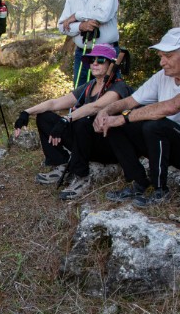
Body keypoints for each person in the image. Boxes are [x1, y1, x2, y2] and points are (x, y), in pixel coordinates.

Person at [93, 28, 180, 207]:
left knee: (155, 125)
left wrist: (124, 117)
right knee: (115, 123)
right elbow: (130, 101)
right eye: (161, 56)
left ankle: (160, 190)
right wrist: (106, 112)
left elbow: (172, 106)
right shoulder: (164, 77)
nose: (162, 62)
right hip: (169, 143)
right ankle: (138, 181)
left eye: (168, 56)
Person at [14, 44, 132, 200]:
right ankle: (61, 163)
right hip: (85, 142)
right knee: (45, 116)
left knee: (82, 121)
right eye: (92, 60)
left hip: (106, 145)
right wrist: (27, 112)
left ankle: (81, 176)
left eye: (100, 60)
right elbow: (55, 103)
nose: (95, 63)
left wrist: (66, 119)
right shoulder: (89, 87)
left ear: (111, 64)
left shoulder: (119, 87)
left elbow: (95, 106)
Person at [58, 0, 119, 88]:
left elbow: (103, 15)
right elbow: (62, 27)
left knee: (109, 92)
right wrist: (81, 26)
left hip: (107, 52)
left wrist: (76, 16)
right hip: (83, 52)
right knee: (80, 92)